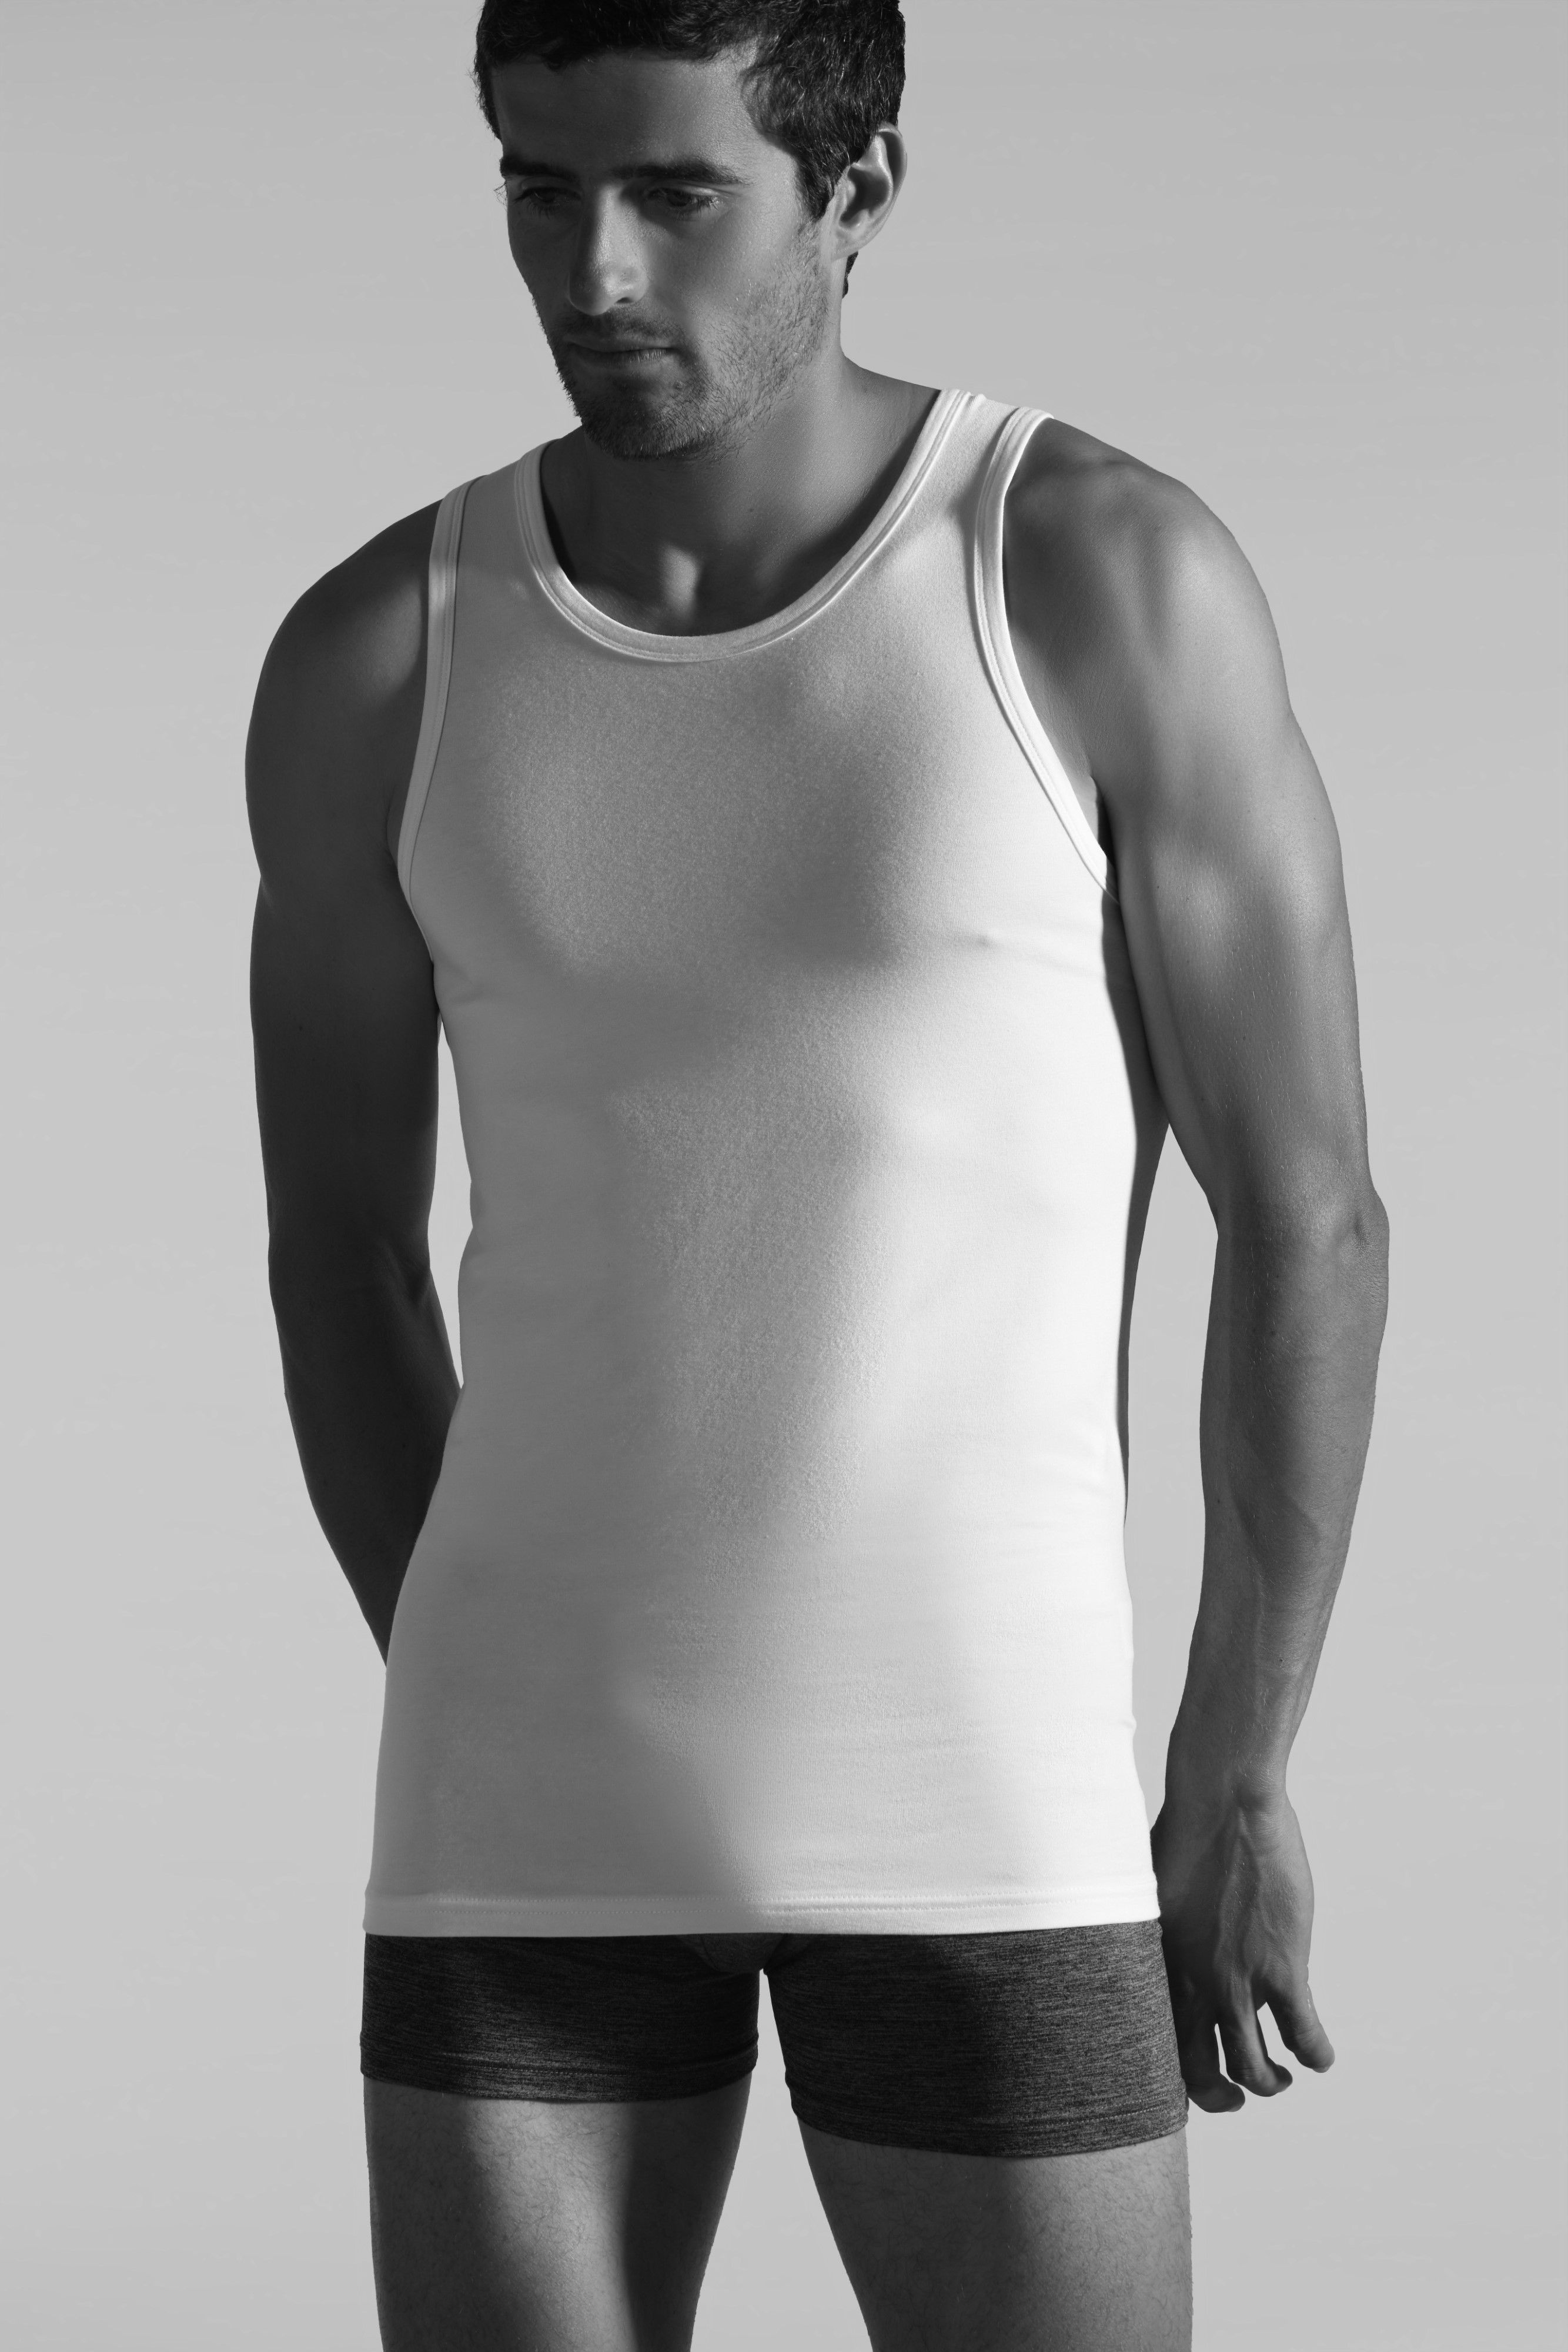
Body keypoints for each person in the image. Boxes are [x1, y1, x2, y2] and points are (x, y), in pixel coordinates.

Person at [246, 3, 1389, 2345]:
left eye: (676, 194)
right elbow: (339, 1251)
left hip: (975, 1790)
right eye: (539, 189)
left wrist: (1234, 1774)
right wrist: (494, 1670)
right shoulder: (382, 653)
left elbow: (1309, 1221)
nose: (595, 271)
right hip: (519, 1813)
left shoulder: (1091, 571)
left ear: (856, 191)